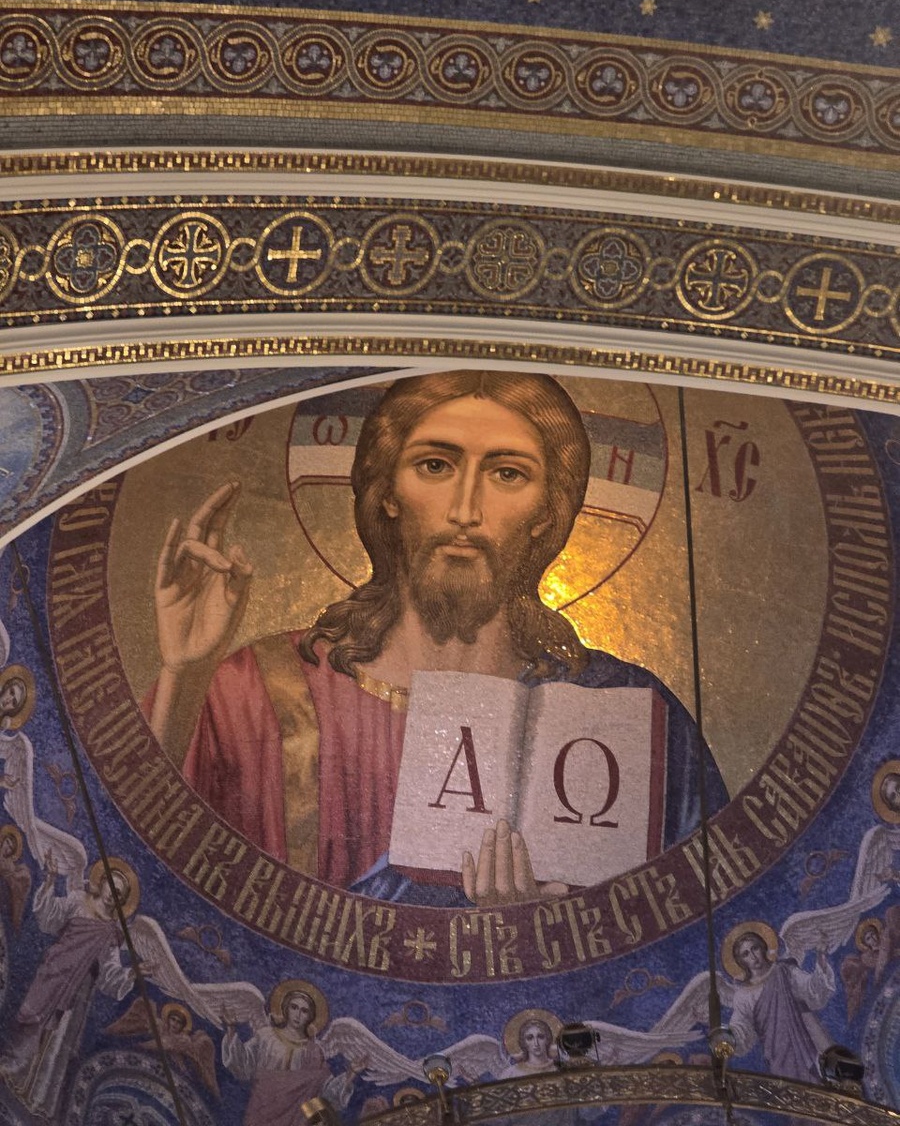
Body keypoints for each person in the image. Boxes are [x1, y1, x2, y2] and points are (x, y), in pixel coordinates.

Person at [148, 371, 727, 906]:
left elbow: (699, 927)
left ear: (546, 512)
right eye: (435, 466)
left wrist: (544, 935)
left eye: (507, 474)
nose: (464, 510)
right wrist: (184, 674)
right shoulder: (255, 690)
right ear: (388, 492)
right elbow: (148, 886)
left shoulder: (629, 713)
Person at [0, 854, 139, 1117]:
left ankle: (39, 1097)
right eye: (112, 887)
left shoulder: (111, 932)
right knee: (34, 1020)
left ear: (122, 901)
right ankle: (13, 1067)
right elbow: (49, 919)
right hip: (55, 970)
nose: (113, 895)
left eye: (119, 894)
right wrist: (50, 881)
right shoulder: (78, 900)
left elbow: (110, 973)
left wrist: (132, 973)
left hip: (78, 990)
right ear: (103, 882)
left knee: (59, 1038)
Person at [222, 984, 361, 1126]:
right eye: (294, 1007)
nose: (298, 1014)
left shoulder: (313, 1051)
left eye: (304, 1011)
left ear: (310, 1017)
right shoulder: (266, 1037)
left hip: (297, 1118)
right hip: (261, 1109)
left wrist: (351, 1073)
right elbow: (243, 1065)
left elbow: (324, 1093)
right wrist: (231, 1030)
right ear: (286, 1008)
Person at [726, 928, 835, 1082]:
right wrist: (728, 1037)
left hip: (804, 1039)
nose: (753, 956)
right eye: (746, 954)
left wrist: (821, 960)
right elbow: (741, 1027)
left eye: (755, 948)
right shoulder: (743, 995)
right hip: (777, 1050)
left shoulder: (784, 971)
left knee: (817, 1078)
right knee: (789, 1085)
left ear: (763, 947)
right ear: (741, 961)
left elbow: (812, 990)